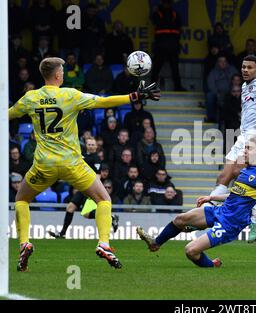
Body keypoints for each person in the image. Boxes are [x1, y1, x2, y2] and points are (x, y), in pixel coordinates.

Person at [8, 57, 160, 271]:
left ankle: (24, 243)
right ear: (58, 75)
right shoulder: (71, 95)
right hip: (72, 164)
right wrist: (134, 96)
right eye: (62, 70)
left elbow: (8, 115)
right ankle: (103, 243)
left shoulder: (30, 98)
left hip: (44, 165)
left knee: (21, 199)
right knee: (103, 199)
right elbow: (103, 102)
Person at [136, 135, 256, 267]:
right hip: (220, 211)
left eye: (249, 148)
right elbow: (234, 195)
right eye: (245, 147)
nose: (244, 151)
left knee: (190, 251)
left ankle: (212, 265)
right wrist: (211, 197)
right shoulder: (245, 171)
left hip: (230, 224)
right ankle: (155, 243)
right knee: (180, 219)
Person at [208, 55, 256, 243]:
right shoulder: (244, 86)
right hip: (242, 136)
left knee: (238, 173)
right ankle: (211, 211)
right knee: (223, 177)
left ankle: (255, 219)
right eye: (243, 67)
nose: (245, 70)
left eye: (249, 67)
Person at [48, 137, 116, 239]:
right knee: (70, 208)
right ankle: (62, 233)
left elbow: (98, 175)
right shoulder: (82, 156)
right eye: (89, 144)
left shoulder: (96, 158)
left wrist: (93, 188)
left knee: (86, 214)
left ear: (96, 146)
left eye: (93, 145)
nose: (91, 146)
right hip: (81, 188)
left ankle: (111, 217)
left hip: (90, 188)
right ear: (86, 145)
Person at [150, 0, 184, 91]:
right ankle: (151, 87)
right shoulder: (157, 13)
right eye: (165, 2)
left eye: (168, 2)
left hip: (173, 45)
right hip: (161, 45)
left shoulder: (175, 14)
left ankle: (178, 87)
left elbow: (179, 26)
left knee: (175, 68)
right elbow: (154, 21)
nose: (167, 4)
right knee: (156, 68)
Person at [206, 55, 238, 123]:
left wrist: (231, 91)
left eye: (224, 61)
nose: (223, 63)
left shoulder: (232, 70)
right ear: (217, 62)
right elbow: (210, 84)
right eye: (220, 61)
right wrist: (217, 93)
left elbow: (236, 81)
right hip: (217, 92)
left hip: (230, 92)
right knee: (209, 96)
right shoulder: (213, 72)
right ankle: (211, 118)